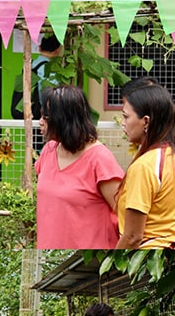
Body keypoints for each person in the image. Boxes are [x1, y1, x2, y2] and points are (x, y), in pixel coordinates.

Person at [35, 85, 124, 249]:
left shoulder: (100, 159)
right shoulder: (49, 151)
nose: (40, 122)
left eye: (45, 117)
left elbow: (126, 216)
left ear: (63, 119)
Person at [117, 80, 175, 249]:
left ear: (146, 122)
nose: (122, 122)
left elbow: (132, 237)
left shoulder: (145, 166)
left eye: (126, 116)